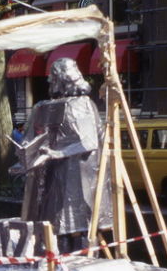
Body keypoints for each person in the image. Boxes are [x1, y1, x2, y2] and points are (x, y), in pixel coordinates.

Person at [18, 57, 111, 251]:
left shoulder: (81, 104)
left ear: (63, 78)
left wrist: (57, 153)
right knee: (55, 221)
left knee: (78, 222)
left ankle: (83, 260)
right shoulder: (44, 106)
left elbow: (88, 140)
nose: (49, 81)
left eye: (53, 76)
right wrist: (25, 154)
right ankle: (58, 260)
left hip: (77, 176)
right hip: (54, 176)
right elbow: (36, 135)